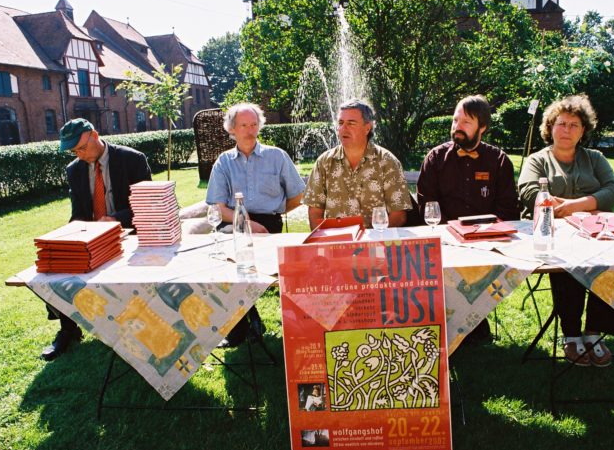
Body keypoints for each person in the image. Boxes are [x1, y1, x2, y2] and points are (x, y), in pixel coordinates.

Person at [518, 95, 614, 367]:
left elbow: (613, 191)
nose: (566, 130)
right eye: (561, 123)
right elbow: (529, 192)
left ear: (583, 130)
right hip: (551, 234)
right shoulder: (536, 160)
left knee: (611, 261)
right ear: (550, 127)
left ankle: (594, 333)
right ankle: (571, 334)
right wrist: (575, 207)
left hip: (594, 232)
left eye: (574, 125)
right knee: (566, 264)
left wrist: (574, 204)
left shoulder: (595, 158)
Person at [41, 118, 152, 361]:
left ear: (94, 135)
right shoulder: (74, 170)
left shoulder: (132, 159)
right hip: (93, 240)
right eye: (73, 151)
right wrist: (73, 233)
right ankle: (69, 329)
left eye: (81, 148)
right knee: (54, 267)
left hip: (131, 236)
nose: (79, 155)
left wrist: (115, 219)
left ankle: (137, 325)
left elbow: (147, 205)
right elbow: (78, 213)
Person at [417, 95, 519, 344]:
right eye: (455, 120)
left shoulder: (498, 161)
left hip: (486, 243)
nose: (457, 127)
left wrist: (483, 235)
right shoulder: (435, 158)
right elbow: (426, 206)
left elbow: (508, 210)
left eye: (466, 122)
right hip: (444, 242)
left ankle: (472, 323)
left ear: (482, 127)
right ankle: (454, 328)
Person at [206, 102, 306, 346]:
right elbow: (218, 208)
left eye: (254, 125)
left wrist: (278, 212)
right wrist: (246, 222)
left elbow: (297, 194)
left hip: (268, 223)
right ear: (232, 129)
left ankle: (244, 327)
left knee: (247, 267)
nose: (250, 130)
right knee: (229, 266)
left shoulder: (277, 156)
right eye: (244, 125)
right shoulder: (224, 161)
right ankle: (245, 324)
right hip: (233, 222)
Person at [304, 99, 412, 229]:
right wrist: (326, 241)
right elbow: (315, 211)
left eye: (351, 123)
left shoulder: (387, 162)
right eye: (341, 123)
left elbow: (399, 214)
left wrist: (375, 241)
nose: (344, 128)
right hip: (337, 243)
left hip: (375, 243)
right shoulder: (324, 162)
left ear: (367, 128)